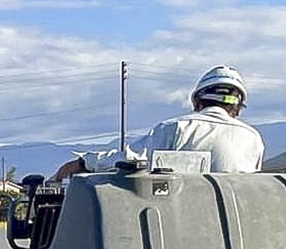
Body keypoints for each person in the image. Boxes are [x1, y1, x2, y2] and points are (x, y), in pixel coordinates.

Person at [53, 65, 265, 180]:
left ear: (198, 100)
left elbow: (130, 160)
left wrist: (82, 163)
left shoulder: (177, 128)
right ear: (237, 107)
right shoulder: (253, 139)